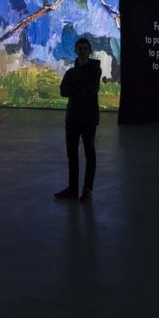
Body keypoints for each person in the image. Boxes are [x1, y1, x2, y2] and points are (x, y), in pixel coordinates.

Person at [55, 38, 102, 203]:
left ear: (89, 51)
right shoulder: (70, 73)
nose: (82, 51)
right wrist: (78, 87)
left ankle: (87, 190)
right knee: (72, 154)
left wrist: (74, 88)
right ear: (76, 51)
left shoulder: (95, 71)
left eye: (85, 48)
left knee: (89, 153)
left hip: (88, 118)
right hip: (73, 118)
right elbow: (63, 91)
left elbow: (90, 90)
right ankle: (73, 189)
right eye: (80, 48)